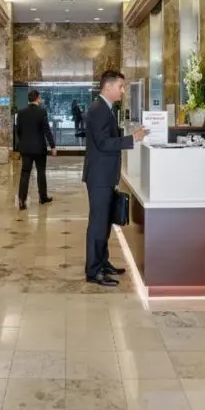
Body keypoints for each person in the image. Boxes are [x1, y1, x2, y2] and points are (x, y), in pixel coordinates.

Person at [82, 71, 148, 286]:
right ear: (108, 87)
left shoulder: (105, 108)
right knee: (98, 224)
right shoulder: (99, 109)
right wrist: (132, 138)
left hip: (105, 175)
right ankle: (93, 271)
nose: (123, 91)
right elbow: (103, 143)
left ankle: (102, 262)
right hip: (99, 176)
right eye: (120, 86)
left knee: (104, 223)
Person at [16, 90, 56, 210]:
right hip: (39, 148)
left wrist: (24, 142)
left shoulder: (21, 112)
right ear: (37, 98)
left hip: (25, 148)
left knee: (25, 173)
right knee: (41, 172)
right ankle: (42, 197)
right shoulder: (42, 111)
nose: (41, 99)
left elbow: (18, 130)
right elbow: (46, 130)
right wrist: (53, 146)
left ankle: (21, 200)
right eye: (40, 97)